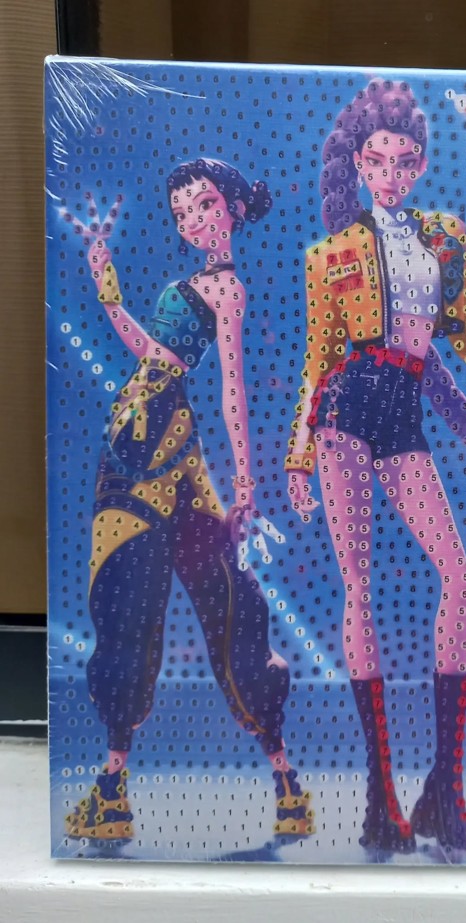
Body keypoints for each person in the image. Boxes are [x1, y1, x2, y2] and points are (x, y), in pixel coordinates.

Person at [285, 78, 466, 853]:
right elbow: (316, 362)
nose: (391, 174)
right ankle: (381, 797)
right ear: (359, 164)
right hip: (343, 411)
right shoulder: (329, 254)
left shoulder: (444, 239)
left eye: (404, 161)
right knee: (358, 586)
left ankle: (443, 789)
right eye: (378, 160)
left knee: (460, 577)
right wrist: (297, 456)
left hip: (402, 410)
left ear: (421, 163)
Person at [64, 159, 312, 843]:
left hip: (162, 446)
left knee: (224, 605)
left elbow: (232, 388)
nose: (194, 221)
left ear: (231, 207)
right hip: (134, 437)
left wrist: (246, 486)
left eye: (204, 206)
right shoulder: (194, 285)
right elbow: (153, 352)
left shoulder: (226, 288)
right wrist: (108, 291)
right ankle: (115, 789)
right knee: (126, 605)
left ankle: (285, 781)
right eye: (182, 213)